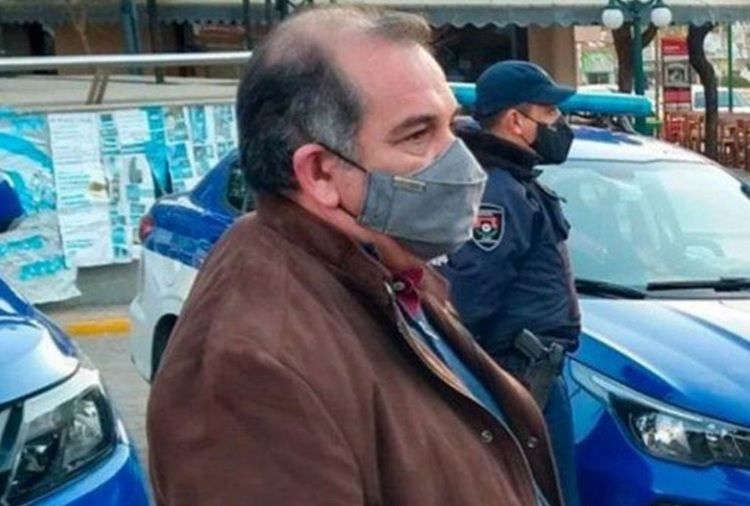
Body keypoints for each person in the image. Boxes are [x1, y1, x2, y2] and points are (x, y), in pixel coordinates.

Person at [147, 8, 562, 506]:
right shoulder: (252, 370)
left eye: (450, 126)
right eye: (417, 134)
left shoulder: (385, 266)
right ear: (321, 173)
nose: (462, 161)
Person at [438, 60, 581, 505]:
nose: (560, 123)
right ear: (516, 121)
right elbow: (472, 294)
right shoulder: (499, 191)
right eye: (549, 112)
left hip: (531, 374)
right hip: (518, 376)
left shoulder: (516, 183)